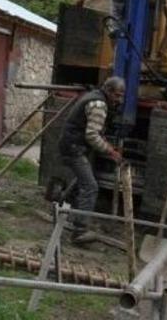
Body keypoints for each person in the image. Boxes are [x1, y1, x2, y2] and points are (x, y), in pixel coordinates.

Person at [58, 76, 125, 244]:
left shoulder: (94, 95)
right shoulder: (99, 105)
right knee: (90, 186)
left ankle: (60, 207)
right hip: (74, 148)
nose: (119, 99)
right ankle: (79, 231)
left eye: (121, 96)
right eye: (117, 95)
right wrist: (111, 151)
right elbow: (92, 135)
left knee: (83, 180)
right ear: (108, 91)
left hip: (72, 145)